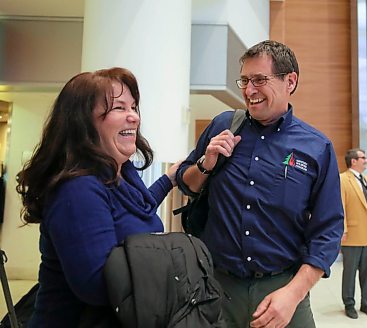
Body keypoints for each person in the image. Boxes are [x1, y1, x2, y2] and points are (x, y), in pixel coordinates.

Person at [176, 40, 344, 328]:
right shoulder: (223, 126)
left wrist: (293, 294)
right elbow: (185, 182)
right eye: (244, 80)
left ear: (290, 81)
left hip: (282, 290)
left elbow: (328, 230)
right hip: (217, 289)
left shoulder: (317, 147)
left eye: (259, 80)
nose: (249, 90)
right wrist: (206, 163)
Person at [16, 67, 180, 326]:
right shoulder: (78, 189)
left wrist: (169, 180)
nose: (134, 117)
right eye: (119, 108)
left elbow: (136, 211)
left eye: (134, 107)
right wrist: (174, 268)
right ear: (83, 122)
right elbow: (97, 284)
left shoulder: (120, 172)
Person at [340, 148, 367, 319]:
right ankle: (349, 304)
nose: (366, 160)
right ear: (353, 161)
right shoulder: (343, 179)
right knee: (350, 272)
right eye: (363, 157)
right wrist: (342, 229)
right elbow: (340, 206)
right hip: (351, 233)